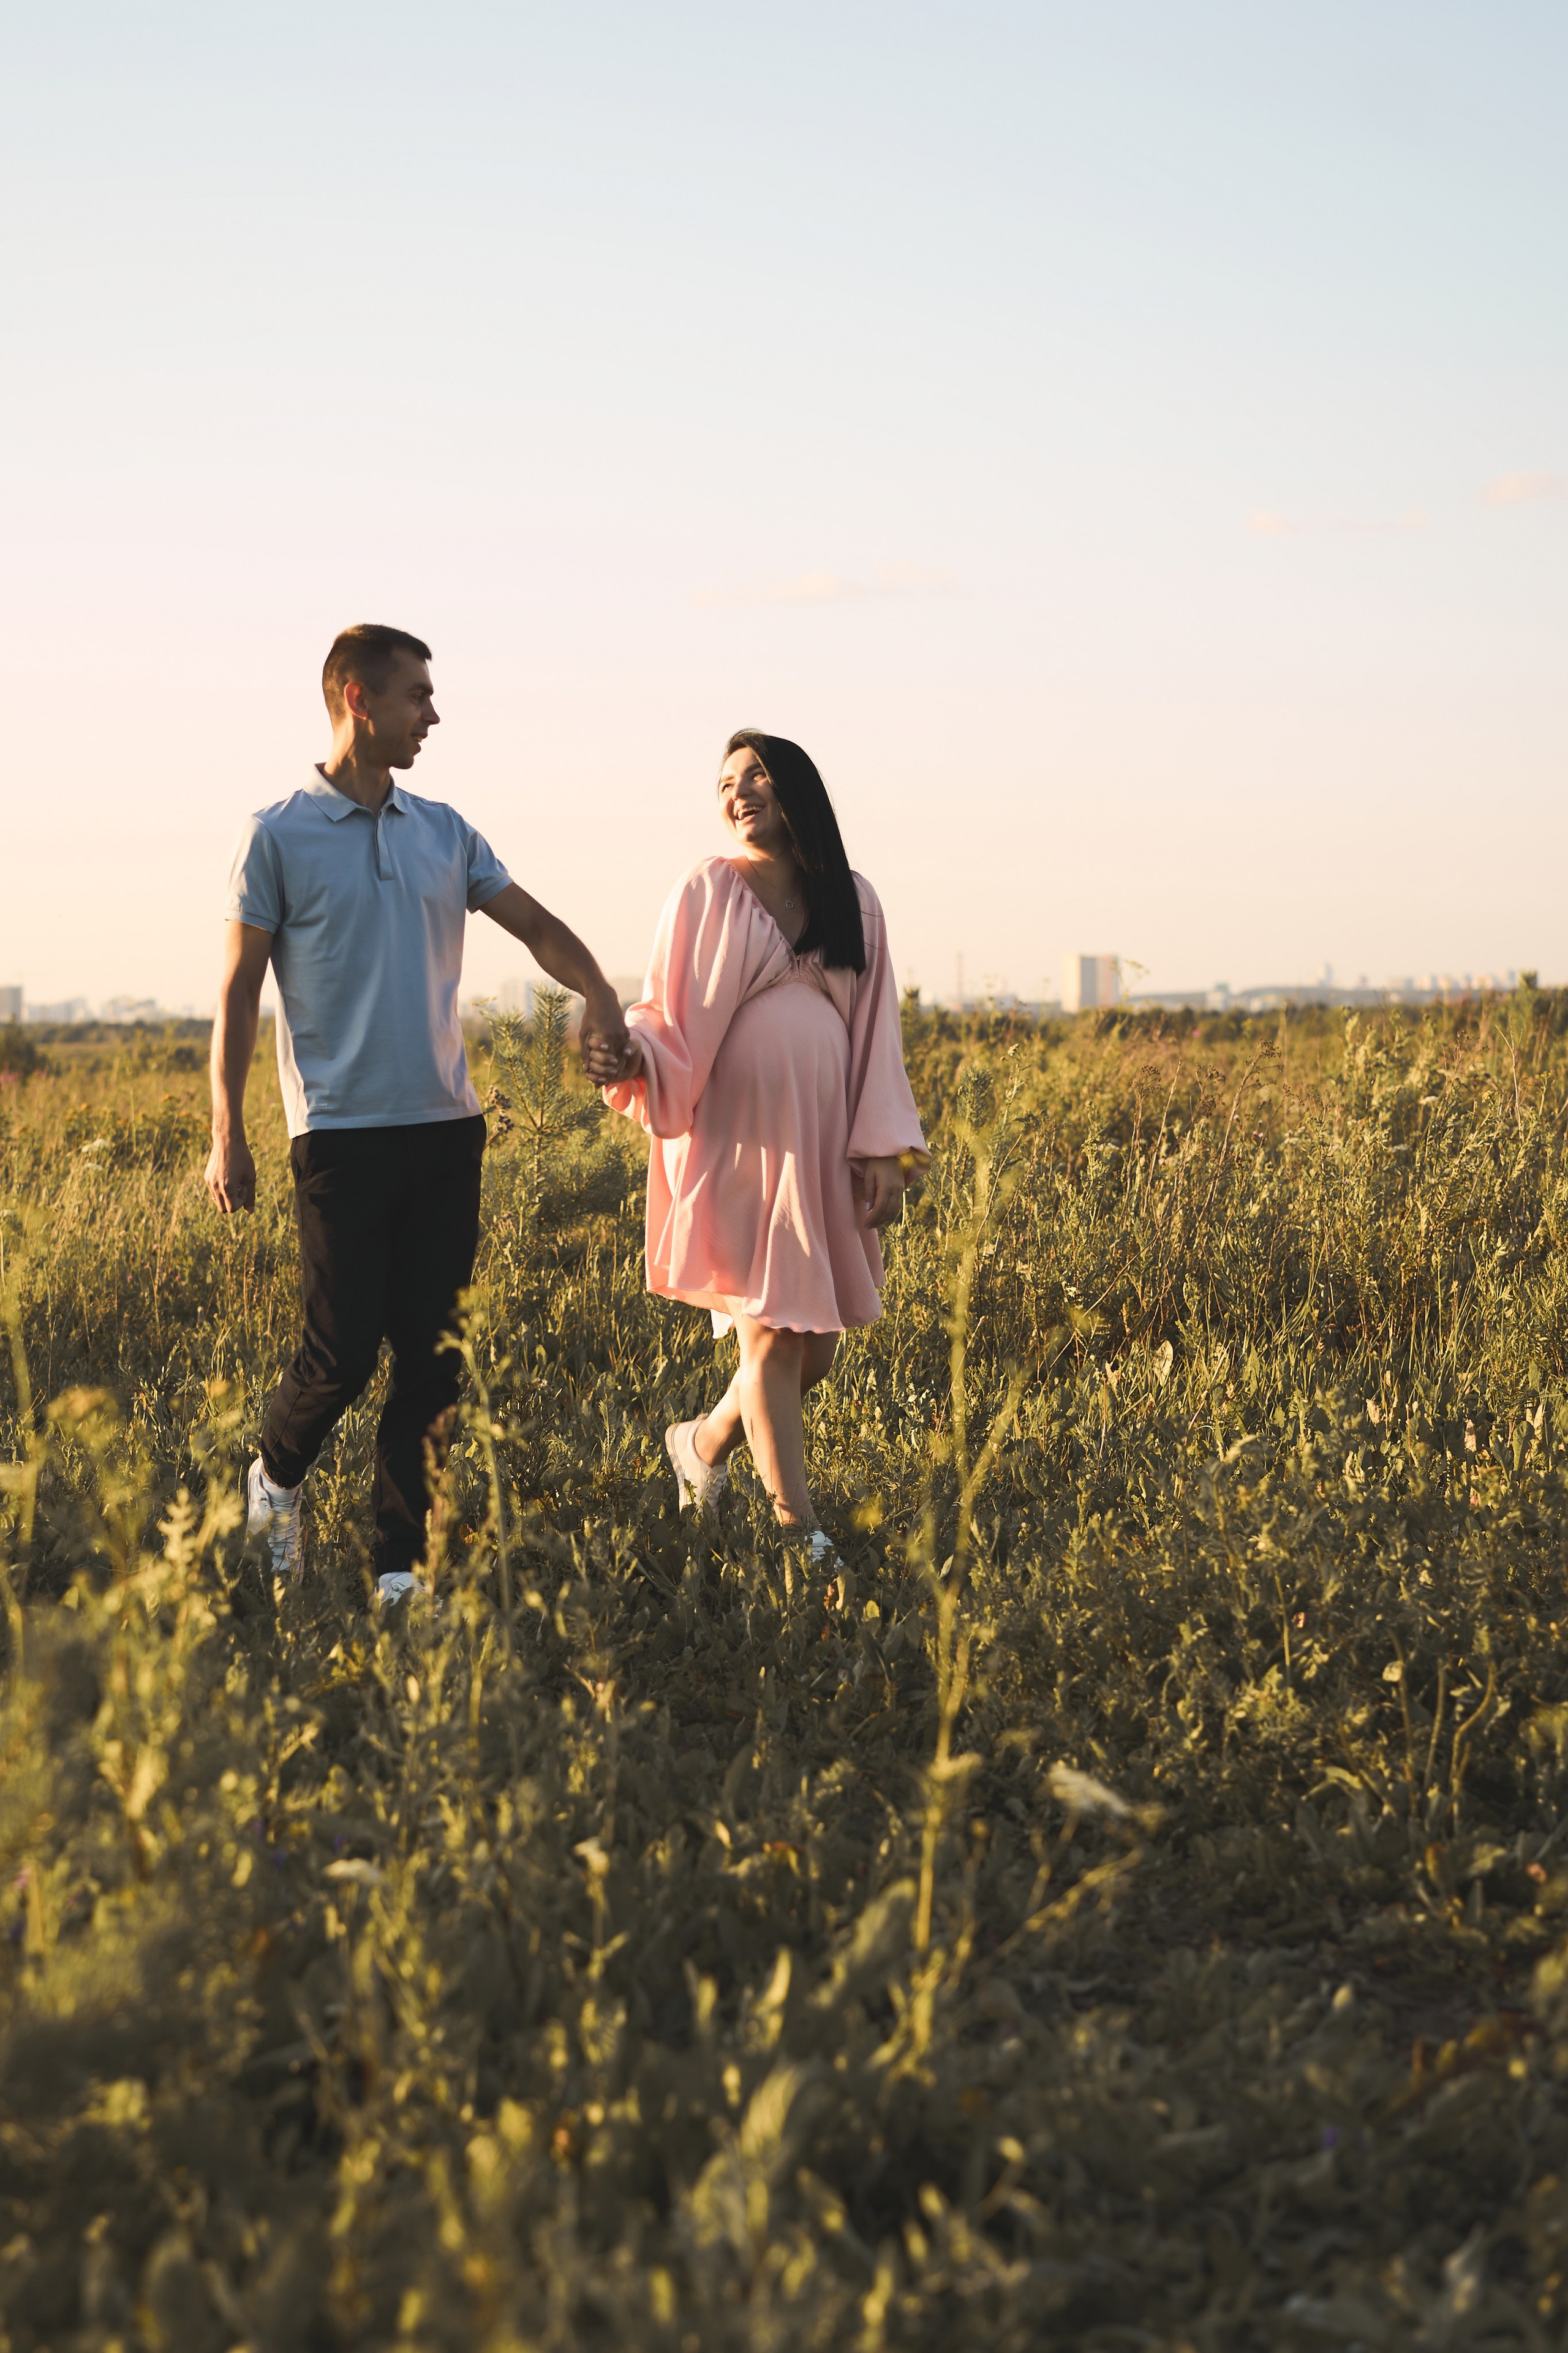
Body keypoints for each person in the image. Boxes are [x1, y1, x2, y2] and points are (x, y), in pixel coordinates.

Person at [206, 623, 628, 1602]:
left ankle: (399, 1566)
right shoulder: (275, 833)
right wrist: (229, 1132)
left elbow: (536, 927)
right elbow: (238, 989)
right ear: (359, 698)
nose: (432, 715)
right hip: (341, 1139)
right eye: (417, 697)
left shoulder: (446, 829)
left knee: (435, 1358)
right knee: (342, 1352)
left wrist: (599, 996)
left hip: (446, 1129)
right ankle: (274, 1477)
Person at [587, 731, 928, 1559]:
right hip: (741, 1141)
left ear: (797, 790)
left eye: (757, 776)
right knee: (772, 1334)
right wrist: (632, 1053)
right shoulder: (708, 890)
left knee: (814, 1351)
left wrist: (880, 1146)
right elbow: (666, 1010)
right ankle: (798, 1533)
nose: (737, 793)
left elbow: (878, 1032)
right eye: (726, 782)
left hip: (818, 1140)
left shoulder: (855, 898)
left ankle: (701, 1444)